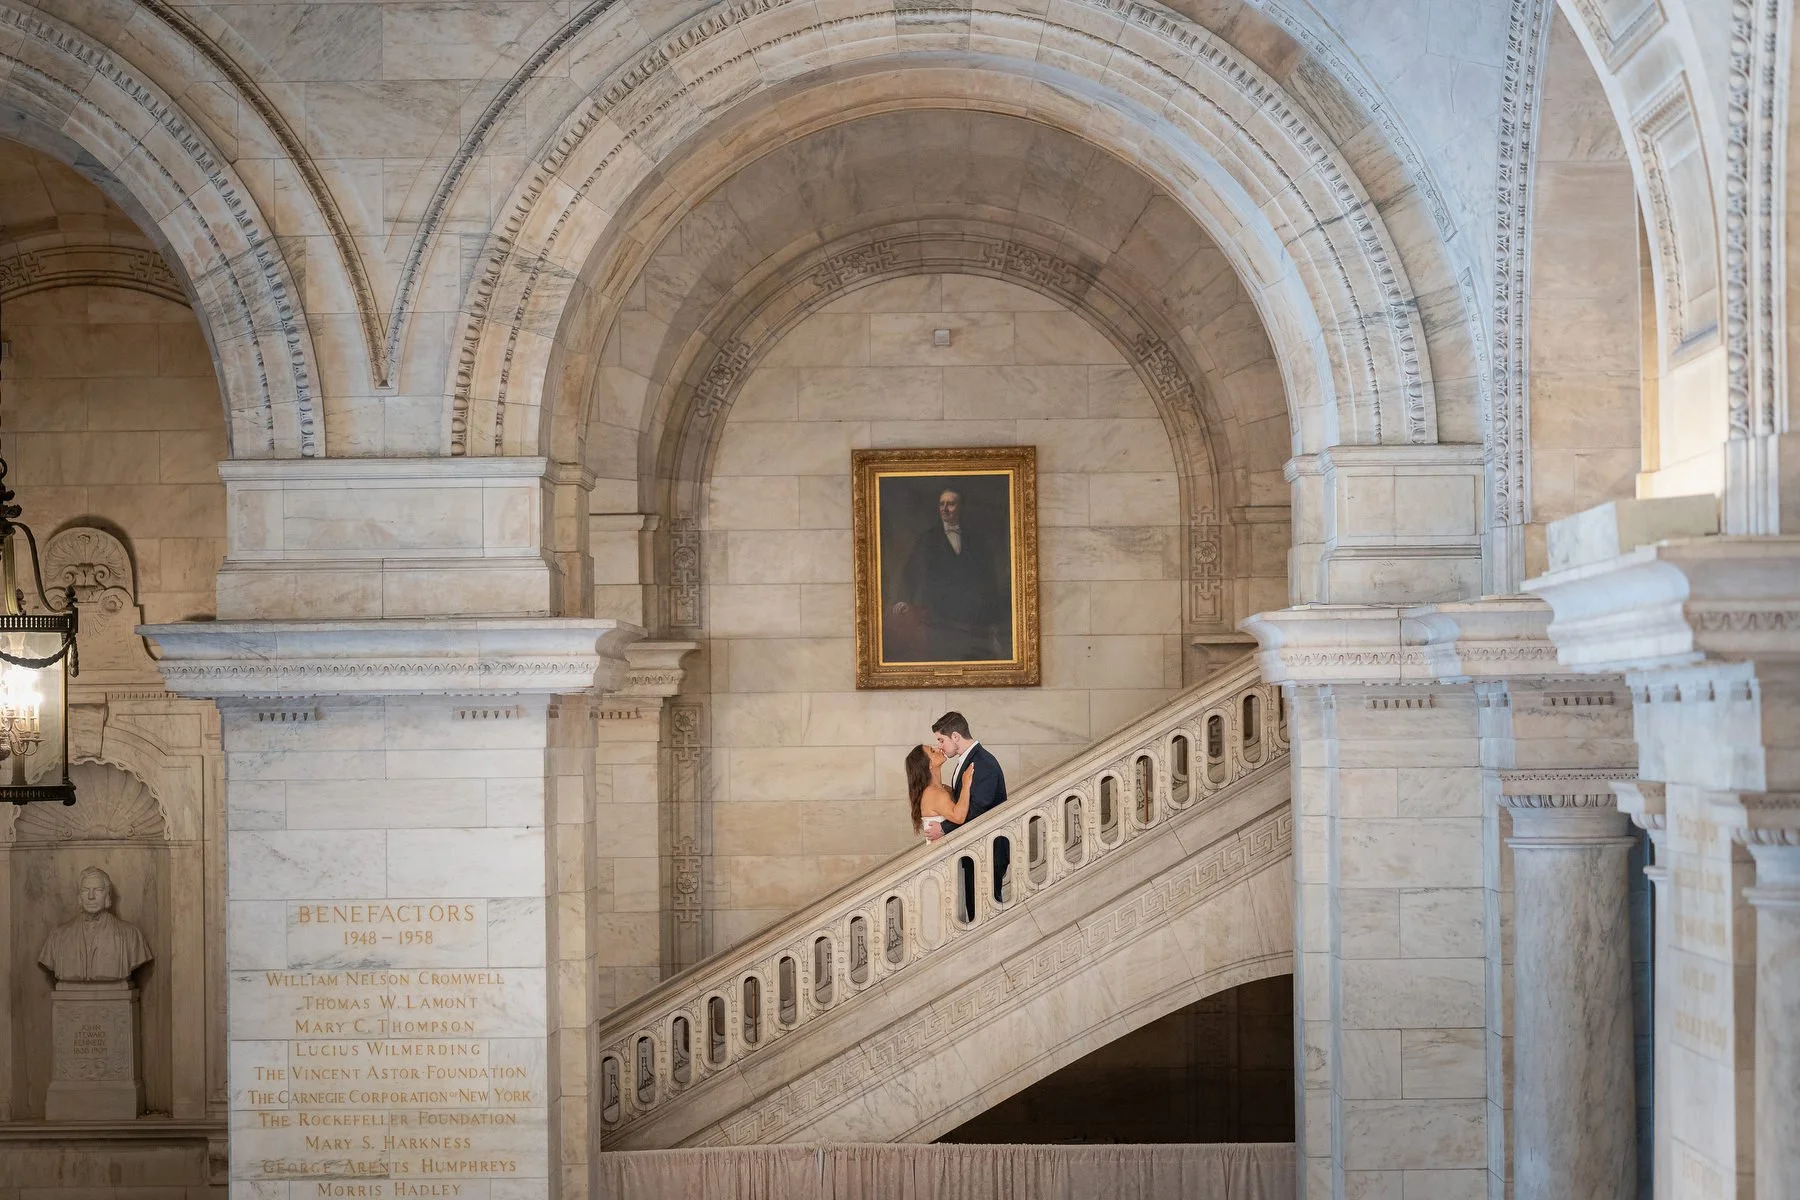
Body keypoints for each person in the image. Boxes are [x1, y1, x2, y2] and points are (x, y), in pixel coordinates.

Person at [888, 488, 1009, 662]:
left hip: (972, 622)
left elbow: (988, 579)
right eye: (941, 504)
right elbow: (911, 572)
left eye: (950, 504)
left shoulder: (976, 541)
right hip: (939, 621)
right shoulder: (928, 539)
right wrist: (902, 599)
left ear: (960, 507)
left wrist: (993, 622)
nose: (945, 508)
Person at [921, 711, 1009, 916]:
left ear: (955, 736)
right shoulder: (967, 760)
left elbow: (979, 808)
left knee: (984, 913)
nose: (940, 746)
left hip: (988, 851)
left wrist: (944, 828)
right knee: (973, 910)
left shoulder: (983, 763)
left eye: (941, 740)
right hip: (975, 850)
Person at [39, 866, 152, 983]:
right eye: (85, 890)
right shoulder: (58, 936)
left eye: (98, 890)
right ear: (79, 897)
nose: (91, 896)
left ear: (107, 895)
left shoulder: (131, 935)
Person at [906, 742, 974, 840]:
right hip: (944, 853)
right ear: (929, 765)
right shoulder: (933, 793)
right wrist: (965, 785)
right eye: (933, 751)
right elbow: (959, 817)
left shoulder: (943, 788)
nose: (938, 749)